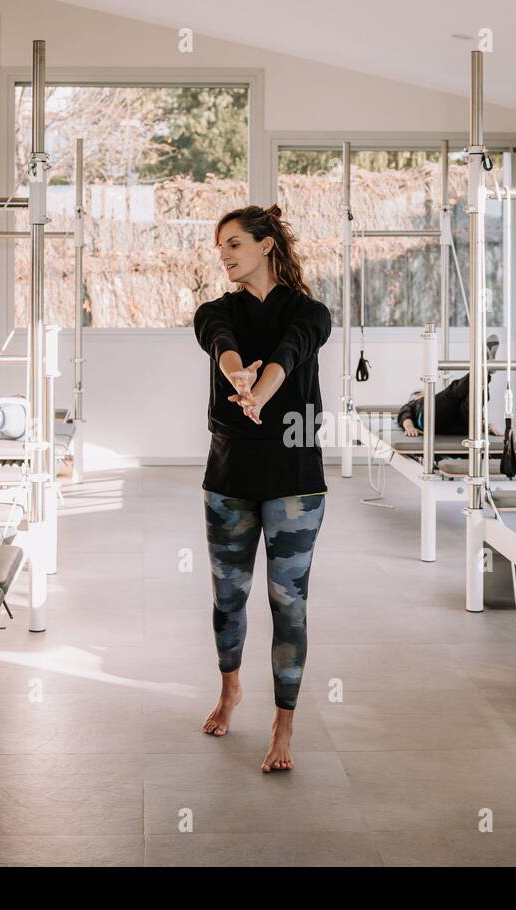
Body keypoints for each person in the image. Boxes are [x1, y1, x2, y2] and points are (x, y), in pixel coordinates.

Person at [193, 203, 330, 773]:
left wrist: (262, 389)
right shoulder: (212, 312)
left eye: (233, 244)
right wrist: (235, 374)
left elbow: (291, 350)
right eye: (220, 247)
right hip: (230, 478)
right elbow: (220, 340)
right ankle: (230, 690)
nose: (223, 255)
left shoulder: (312, 312)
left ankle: (284, 721)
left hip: (295, 481)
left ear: (266, 245)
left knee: (287, 602)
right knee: (229, 598)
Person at [397, 335, 500, 437]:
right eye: (418, 393)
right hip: (432, 422)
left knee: (472, 399)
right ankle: (483, 370)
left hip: (461, 426)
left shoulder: (437, 400)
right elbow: (404, 413)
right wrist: (410, 427)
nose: (423, 393)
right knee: (452, 392)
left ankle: (482, 377)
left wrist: (486, 426)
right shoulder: (414, 404)